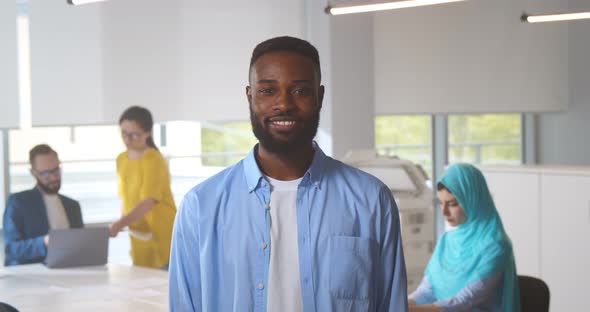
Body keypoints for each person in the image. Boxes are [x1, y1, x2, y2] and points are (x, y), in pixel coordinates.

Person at [169, 36, 408, 311]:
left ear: (320, 96)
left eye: (300, 91)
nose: (284, 104)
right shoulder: (201, 206)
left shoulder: (371, 200)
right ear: (250, 97)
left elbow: (392, 304)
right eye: (268, 91)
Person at [408, 163, 520, 312]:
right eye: (440, 203)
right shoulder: (446, 241)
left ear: (473, 200)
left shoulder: (496, 245)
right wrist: (401, 303)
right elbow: (428, 290)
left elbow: (463, 302)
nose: (444, 212)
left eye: (452, 204)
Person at [109, 106, 176, 269]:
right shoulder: (121, 159)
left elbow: (147, 202)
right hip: (138, 233)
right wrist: (124, 222)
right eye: (124, 133)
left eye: (133, 135)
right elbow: (126, 198)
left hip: (161, 233)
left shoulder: (154, 160)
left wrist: (119, 224)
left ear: (147, 133)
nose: (127, 139)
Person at [3, 144, 83, 266]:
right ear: (33, 173)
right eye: (46, 173)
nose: (53, 178)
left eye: (56, 170)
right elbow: (12, 249)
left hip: (70, 271)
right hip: (32, 277)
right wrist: (44, 242)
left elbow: (81, 245)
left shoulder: (72, 206)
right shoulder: (18, 203)